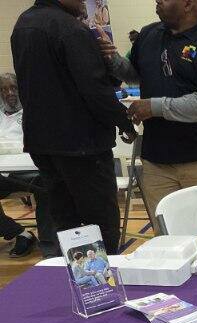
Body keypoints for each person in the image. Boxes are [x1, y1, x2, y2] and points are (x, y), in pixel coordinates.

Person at [12, 0, 137, 255]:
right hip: (82, 144)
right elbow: (94, 88)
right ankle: (102, 277)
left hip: (42, 142)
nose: (83, 1)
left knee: (65, 220)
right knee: (101, 223)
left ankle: (74, 276)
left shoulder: (22, 25)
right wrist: (124, 121)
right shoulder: (70, 28)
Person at [99, 0, 197, 228]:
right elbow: (135, 75)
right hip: (156, 162)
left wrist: (154, 107)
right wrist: (114, 60)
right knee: (166, 236)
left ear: (188, 4)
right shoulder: (148, 34)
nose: (157, 1)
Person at [0, 72, 57, 258]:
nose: (9, 93)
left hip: (28, 172)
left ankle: (50, 246)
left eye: (13, 88)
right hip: (2, 175)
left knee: (47, 184)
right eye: (4, 89)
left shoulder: (33, 113)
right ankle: (20, 233)